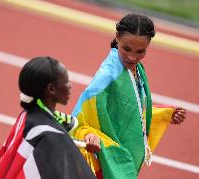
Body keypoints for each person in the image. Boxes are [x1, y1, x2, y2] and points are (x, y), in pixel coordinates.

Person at [71, 13, 187, 179]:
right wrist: (88, 135)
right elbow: (78, 121)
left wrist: (165, 114)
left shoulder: (136, 69)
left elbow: (129, 111)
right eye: (126, 49)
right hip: (104, 164)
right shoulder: (106, 77)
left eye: (141, 51)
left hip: (121, 159)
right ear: (117, 37)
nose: (133, 57)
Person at [0, 56, 96, 179]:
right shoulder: (53, 137)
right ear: (51, 89)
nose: (70, 85)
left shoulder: (28, 114)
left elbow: (66, 125)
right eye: (66, 82)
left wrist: (85, 138)